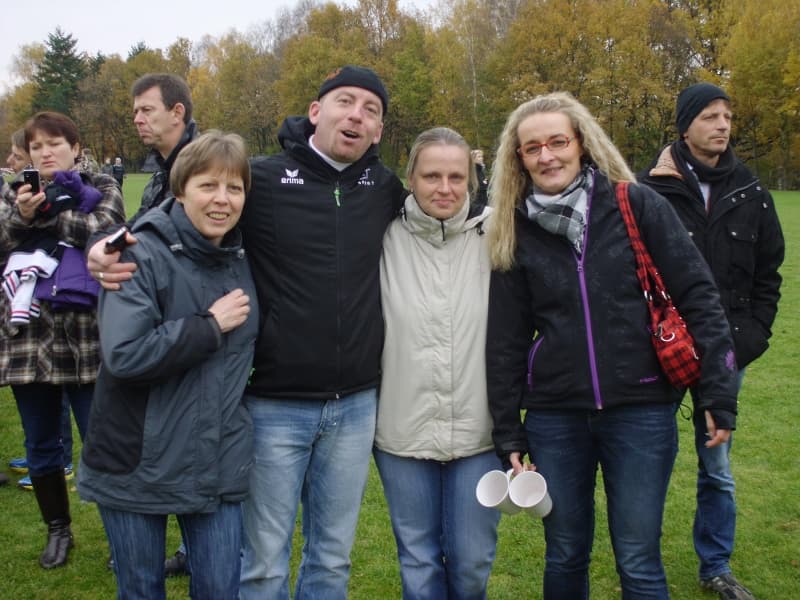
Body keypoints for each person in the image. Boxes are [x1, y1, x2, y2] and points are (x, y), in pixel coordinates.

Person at [87, 65, 406, 598]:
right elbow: (184, 209)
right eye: (345, 102)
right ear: (315, 111)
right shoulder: (260, 179)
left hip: (355, 404)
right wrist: (109, 245)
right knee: (263, 563)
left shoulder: (384, 187)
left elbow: (442, 213)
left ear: (377, 130)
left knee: (332, 559)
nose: (356, 115)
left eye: (371, 110)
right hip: (274, 405)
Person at [485, 91, 740, 599]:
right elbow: (506, 339)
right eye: (532, 148)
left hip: (642, 411)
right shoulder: (514, 227)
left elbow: (698, 295)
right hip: (556, 417)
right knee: (564, 554)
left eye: (558, 142)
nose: (547, 156)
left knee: (639, 559)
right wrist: (508, 431)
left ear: (581, 144)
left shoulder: (635, 203)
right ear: (519, 158)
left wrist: (717, 393)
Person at [77, 130, 258, 600]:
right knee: (141, 589)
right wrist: (208, 327)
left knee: (221, 588)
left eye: (234, 188)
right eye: (208, 186)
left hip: (215, 458)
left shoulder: (243, 253)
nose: (222, 200)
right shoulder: (137, 253)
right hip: (136, 459)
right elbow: (125, 354)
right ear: (180, 190)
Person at [639, 82, 784, 600]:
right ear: (685, 126)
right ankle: (641, 564)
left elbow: (769, 275)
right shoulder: (648, 190)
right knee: (645, 465)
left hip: (727, 355)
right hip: (658, 353)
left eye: (727, 116)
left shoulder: (752, 193)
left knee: (716, 466)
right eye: (710, 117)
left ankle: (716, 566)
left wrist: (751, 338)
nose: (722, 125)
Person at [374, 127, 500, 598]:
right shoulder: (383, 238)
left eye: (455, 176)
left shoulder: (497, 234)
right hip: (401, 431)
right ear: (410, 178)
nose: (444, 188)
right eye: (431, 176)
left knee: (472, 563)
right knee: (419, 562)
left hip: (479, 433)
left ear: (470, 178)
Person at [0, 111, 125, 568]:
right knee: (40, 444)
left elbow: (106, 237)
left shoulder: (103, 187)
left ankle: (121, 537)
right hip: (28, 340)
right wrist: (21, 215)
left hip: (88, 337)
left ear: (75, 146)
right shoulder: (14, 194)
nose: (46, 152)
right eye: (36, 146)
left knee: (102, 440)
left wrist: (49, 214)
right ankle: (58, 529)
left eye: (55, 143)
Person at [87, 71, 199, 577]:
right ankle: (160, 547)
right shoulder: (159, 169)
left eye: (146, 110)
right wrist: (103, 250)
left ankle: (199, 550)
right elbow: (139, 235)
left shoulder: (202, 164)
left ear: (178, 113)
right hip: (157, 326)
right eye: (134, 111)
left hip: (195, 326)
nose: (136, 119)